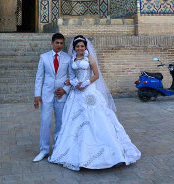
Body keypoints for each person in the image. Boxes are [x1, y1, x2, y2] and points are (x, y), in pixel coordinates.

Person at [48, 35, 141, 171]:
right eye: (77, 46)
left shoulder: (89, 58)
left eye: (82, 46)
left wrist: (85, 83)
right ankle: (75, 154)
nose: (80, 48)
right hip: (76, 93)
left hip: (89, 92)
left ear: (85, 47)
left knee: (95, 118)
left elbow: (96, 75)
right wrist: (74, 83)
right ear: (74, 47)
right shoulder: (72, 59)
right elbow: (71, 76)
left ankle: (107, 153)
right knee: (74, 121)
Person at [33, 32, 72, 162]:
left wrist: (65, 89)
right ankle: (44, 150)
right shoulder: (43, 57)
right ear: (52, 43)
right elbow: (39, 77)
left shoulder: (67, 58)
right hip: (47, 94)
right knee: (45, 121)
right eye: (57, 43)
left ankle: (57, 148)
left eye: (61, 43)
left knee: (60, 122)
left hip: (61, 95)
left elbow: (71, 77)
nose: (59, 45)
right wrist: (37, 95)